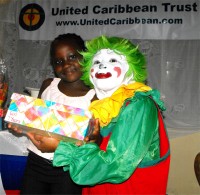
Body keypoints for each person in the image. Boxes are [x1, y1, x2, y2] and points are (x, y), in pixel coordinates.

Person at [26, 35, 170, 194]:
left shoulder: (139, 105)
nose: (102, 66)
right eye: (97, 62)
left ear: (131, 66)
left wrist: (59, 146)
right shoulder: (105, 104)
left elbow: (117, 165)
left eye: (113, 61)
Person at [8, 33, 98, 194]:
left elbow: (95, 139)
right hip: (35, 163)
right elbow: (36, 123)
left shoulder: (94, 97)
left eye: (72, 57)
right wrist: (21, 126)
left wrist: (93, 138)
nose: (66, 64)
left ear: (85, 56)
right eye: (58, 61)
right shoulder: (48, 85)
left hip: (68, 169)